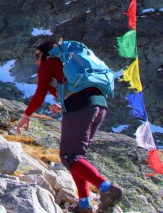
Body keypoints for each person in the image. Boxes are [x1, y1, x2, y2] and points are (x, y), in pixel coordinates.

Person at [15, 40, 124, 213]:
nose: (36, 61)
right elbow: (61, 90)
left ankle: (107, 188)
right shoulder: (69, 63)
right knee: (77, 157)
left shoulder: (49, 62)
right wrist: (64, 104)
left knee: (70, 156)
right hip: (99, 106)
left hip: (81, 107)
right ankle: (84, 204)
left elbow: (41, 91)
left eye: (37, 55)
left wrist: (26, 116)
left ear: (46, 53)